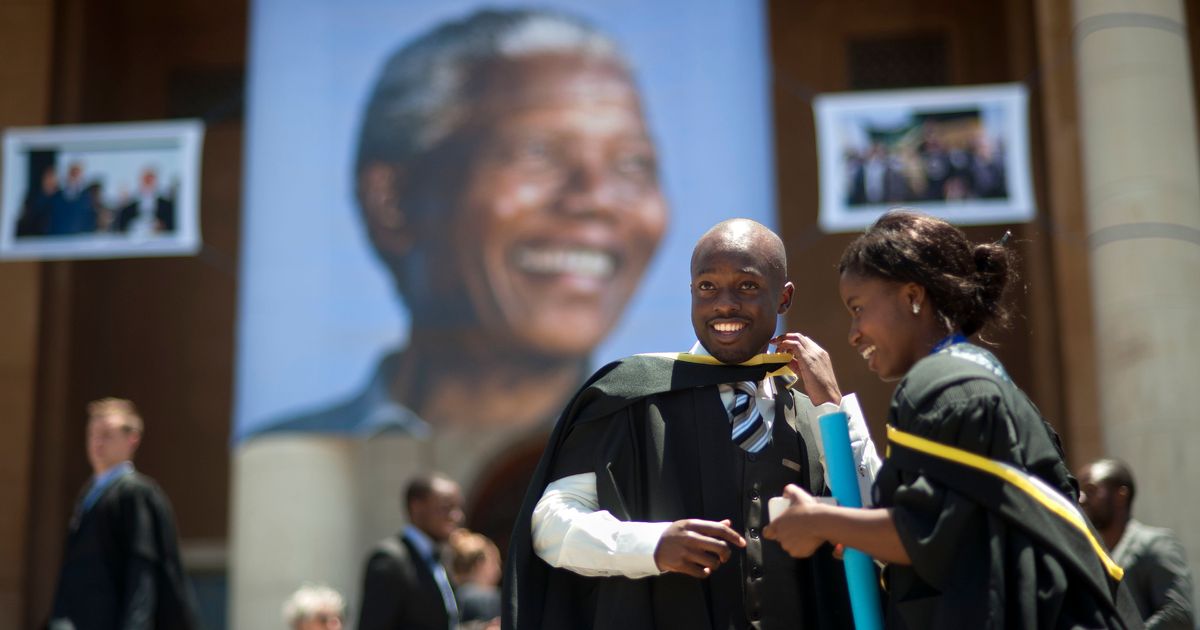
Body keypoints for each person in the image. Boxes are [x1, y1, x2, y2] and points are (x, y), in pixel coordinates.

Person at [250, 8, 667, 439]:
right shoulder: (279, 462)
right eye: (537, 153)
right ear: (392, 202)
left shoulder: (674, 463)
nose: (596, 198)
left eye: (634, 163)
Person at [763, 210, 1143, 628]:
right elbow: (967, 532)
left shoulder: (940, 385)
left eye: (858, 309)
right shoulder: (983, 376)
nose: (853, 333)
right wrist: (860, 532)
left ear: (912, 296)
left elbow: (927, 531)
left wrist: (820, 521)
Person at [505, 218, 881, 629]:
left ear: (784, 298)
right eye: (707, 287)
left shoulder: (815, 416)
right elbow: (551, 525)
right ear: (691, 292)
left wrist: (832, 404)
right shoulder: (632, 396)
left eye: (748, 286)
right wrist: (652, 545)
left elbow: (873, 523)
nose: (724, 304)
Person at [48, 398, 200, 630]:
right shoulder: (88, 496)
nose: (97, 442)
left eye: (107, 434)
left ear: (132, 439)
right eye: (93, 434)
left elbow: (142, 570)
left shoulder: (135, 493)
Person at [1079, 458, 1195, 629]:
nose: (1081, 499)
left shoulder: (1155, 545)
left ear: (1121, 495)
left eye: (1091, 490)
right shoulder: (1089, 556)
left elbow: (1179, 616)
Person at [358, 474, 465, 630]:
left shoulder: (438, 560)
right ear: (417, 507)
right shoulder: (390, 561)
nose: (457, 516)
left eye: (458, 508)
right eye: (446, 507)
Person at [448, 530, 502, 629]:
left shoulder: (448, 595)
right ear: (480, 564)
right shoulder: (487, 598)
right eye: (495, 562)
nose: (498, 570)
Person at [117, 167, 176, 236]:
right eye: (146, 180)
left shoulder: (167, 205)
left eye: (150, 180)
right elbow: (122, 228)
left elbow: (171, 226)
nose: (148, 183)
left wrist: (161, 226)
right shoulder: (129, 206)